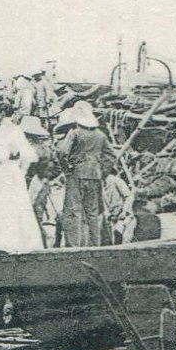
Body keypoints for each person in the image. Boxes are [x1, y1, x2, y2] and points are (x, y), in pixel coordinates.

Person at [0, 99, 44, 253]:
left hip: (3, 172)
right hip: (13, 172)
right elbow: (29, 155)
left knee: (1, 204)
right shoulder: (16, 130)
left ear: (2, 113)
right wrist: (21, 169)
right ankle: (17, 241)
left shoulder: (1, 131)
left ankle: (2, 242)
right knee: (15, 204)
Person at [54, 101, 107, 247]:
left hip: (77, 175)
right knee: (92, 213)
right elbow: (110, 156)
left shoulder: (74, 133)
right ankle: (95, 244)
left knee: (73, 211)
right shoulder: (101, 135)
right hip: (95, 176)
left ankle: (74, 245)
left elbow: (62, 152)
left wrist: (67, 169)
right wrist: (103, 171)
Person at [102, 162, 135, 244]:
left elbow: (129, 196)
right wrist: (108, 215)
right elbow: (102, 203)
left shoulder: (117, 181)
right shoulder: (100, 185)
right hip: (111, 219)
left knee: (121, 235)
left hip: (123, 216)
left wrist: (124, 211)